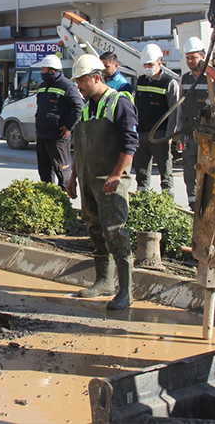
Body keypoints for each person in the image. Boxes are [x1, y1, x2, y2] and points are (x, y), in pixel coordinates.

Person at [66, 54, 139, 310]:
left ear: (97, 77)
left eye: (82, 82)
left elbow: (130, 144)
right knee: (96, 230)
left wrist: (117, 174)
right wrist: (74, 177)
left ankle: (125, 292)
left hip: (110, 181)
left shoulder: (119, 103)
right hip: (89, 180)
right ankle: (104, 282)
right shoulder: (86, 107)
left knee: (115, 232)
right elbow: (80, 147)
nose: (79, 87)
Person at [132, 43, 179, 196]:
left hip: (160, 134)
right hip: (142, 133)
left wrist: (169, 135)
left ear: (160, 62)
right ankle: (143, 200)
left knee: (165, 172)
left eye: (150, 64)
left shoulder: (169, 83)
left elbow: (174, 111)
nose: (147, 67)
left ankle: (168, 202)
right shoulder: (141, 81)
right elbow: (136, 107)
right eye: (145, 64)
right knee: (141, 171)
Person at [35, 53, 83, 188]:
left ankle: (65, 202)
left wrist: (69, 127)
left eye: (44, 70)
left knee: (62, 172)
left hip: (58, 136)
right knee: (44, 172)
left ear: (53, 71)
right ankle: (49, 201)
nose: (42, 73)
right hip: (42, 134)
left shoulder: (67, 86)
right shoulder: (43, 85)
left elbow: (78, 107)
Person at [178, 37, 208, 211]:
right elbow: (182, 107)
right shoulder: (186, 78)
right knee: (190, 173)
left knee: (207, 173)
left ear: (203, 57)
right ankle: (194, 205)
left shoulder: (211, 78)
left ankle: (206, 205)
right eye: (188, 58)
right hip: (189, 135)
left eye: (193, 57)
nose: (190, 61)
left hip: (206, 136)